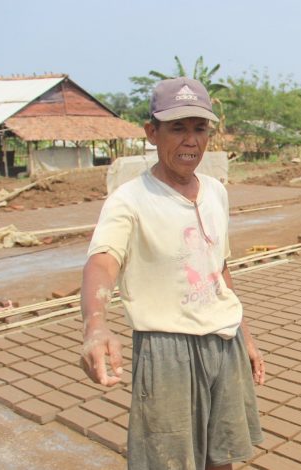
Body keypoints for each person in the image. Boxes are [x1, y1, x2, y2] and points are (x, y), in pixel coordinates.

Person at [80, 77, 264, 470]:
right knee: (169, 463)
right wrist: (95, 324)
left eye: (200, 129)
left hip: (224, 341)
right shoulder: (130, 200)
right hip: (168, 351)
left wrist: (245, 336)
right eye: (177, 128)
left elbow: (219, 267)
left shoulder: (216, 192)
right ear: (152, 133)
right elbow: (102, 260)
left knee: (223, 455)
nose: (191, 141)